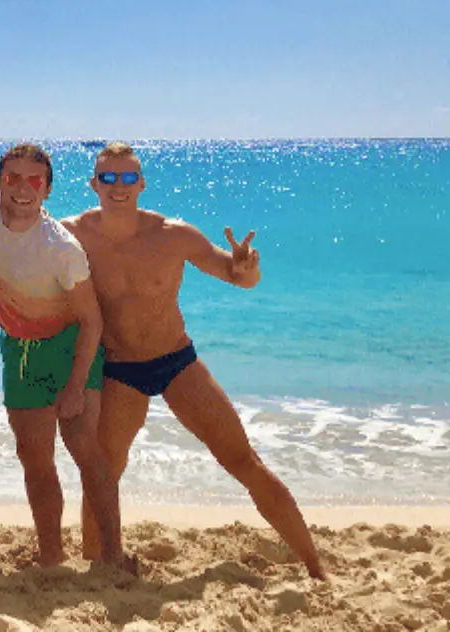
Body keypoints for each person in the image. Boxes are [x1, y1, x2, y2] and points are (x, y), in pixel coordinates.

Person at [65, 142, 326, 579]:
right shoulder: (72, 234)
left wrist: (248, 269)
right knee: (103, 475)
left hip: (176, 361)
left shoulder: (174, 234)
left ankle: (315, 565)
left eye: (128, 177)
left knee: (242, 460)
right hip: (118, 369)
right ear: (94, 184)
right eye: (108, 178)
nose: (118, 186)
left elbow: (238, 276)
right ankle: (101, 570)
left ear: (142, 184)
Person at [0, 143, 130, 570]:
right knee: (34, 459)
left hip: (70, 345)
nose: (22, 188)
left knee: (84, 449)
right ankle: (51, 556)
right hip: (18, 349)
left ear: (47, 190)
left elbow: (92, 321)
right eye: (12, 178)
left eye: (34, 180)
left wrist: (75, 386)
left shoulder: (61, 249)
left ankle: (113, 556)